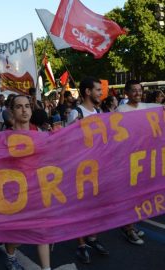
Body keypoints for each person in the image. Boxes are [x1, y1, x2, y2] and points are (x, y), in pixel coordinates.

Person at [5, 95, 51, 270]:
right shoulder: (5, 137)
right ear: (12, 111)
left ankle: (46, 268)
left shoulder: (38, 133)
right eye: (19, 107)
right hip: (14, 192)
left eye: (27, 106)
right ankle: (10, 256)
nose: (24, 110)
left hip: (37, 188)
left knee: (41, 230)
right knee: (17, 234)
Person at [68, 77, 109, 264]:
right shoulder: (76, 113)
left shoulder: (99, 111)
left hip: (98, 166)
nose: (101, 93)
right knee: (81, 207)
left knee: (96, 205)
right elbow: (67, 141)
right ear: (87, 92)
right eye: (98, 90)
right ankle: (82, 244)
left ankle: (92, 238)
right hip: (80, 168)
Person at [117, 79, 161, 245]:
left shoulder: (148, 108)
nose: (138, 93)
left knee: (139, 195)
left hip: (144, 159)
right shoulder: (120, 110)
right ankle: (128, 229)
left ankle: (131, 225)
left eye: (139, 90)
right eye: (134, 91)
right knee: (129, 195)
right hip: (128, 159)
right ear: (126, 93)